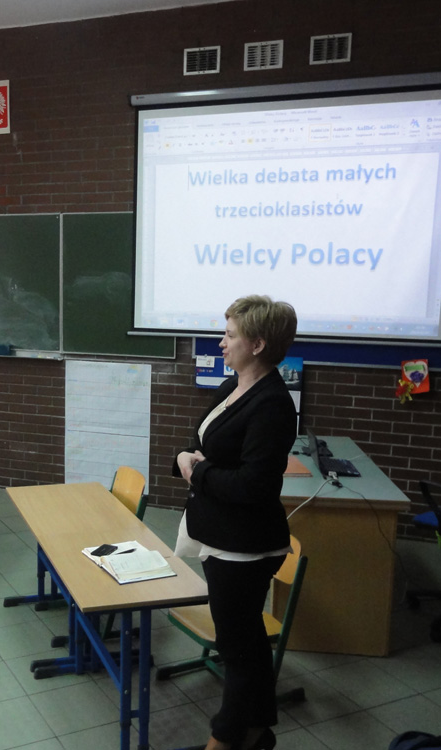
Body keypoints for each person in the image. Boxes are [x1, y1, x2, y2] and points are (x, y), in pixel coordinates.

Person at [173, 295, 298, 750]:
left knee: (237, 649)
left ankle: (223, 741)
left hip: (244, 546)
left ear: (258, 344)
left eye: (229, 335)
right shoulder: (234, 385)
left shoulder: (273, 404)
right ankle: (258, 731)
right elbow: (202, 441)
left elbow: (252, 486)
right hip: (219, 531)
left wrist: (196, 470)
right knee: (247, 642)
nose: (221, 343)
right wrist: (188, 460)